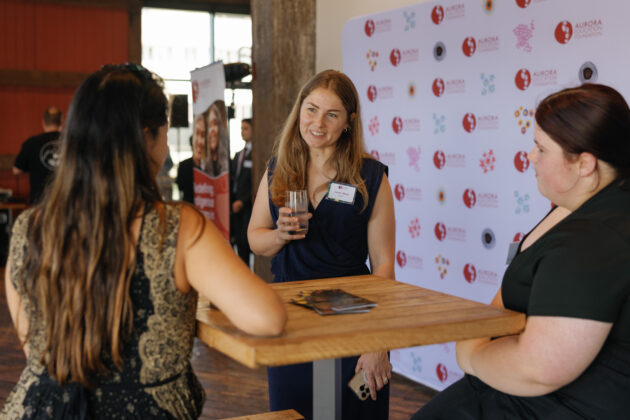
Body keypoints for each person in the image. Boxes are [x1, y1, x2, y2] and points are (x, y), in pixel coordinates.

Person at [2, 64, 286, 419]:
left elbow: (33, 347)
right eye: (164, 132)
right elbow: (267, 318)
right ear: (148, 138)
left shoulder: (28, 228)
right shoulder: (178, 227)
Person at [412, 83, 630, 419]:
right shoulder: (587, 207)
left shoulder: (592, 238)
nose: (530, 156)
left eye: (541, 149)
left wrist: (472, 354)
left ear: (584, 164)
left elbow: (538, 368)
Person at [248, 70, 396, 420]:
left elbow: (384, 265)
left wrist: (378, 342)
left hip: (353, 318)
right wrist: (280, 235)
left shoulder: (370, 177)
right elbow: (255, 238)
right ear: (299, 109)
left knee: (354, 411)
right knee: (293, 413)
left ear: (349, 122)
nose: (318, 123)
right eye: (311, 109)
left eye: (332, 114)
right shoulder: (279, 170)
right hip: (291, 319)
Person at [12, 106, 62, 204]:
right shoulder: (72, 142)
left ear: (43, 121)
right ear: (61, 121)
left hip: (39, 201)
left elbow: (16, 170)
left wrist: (34, 165)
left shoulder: (32, 143)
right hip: (64, 200)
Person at [230, 118, 254, 265]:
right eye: (241, 128)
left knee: (247, 242)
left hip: (248, 205)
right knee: (239, 244)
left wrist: (243, 201)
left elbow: (255, 182)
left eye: (246, 128)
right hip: (235, 205)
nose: (242, 132)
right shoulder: (239, 155)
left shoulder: (256, 154)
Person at [176, 113, 206, 203]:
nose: (199, 142)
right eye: (198, 134)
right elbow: (180, 186)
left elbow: (180, 186)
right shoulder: (184, 165)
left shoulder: (209, 167)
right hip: (189, 204)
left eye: (203, 135)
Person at [202, 100, 229, 177]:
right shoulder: (203, 165)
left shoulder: (227, 163)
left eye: (214, 124)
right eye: (209, 125)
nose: (212, 130)